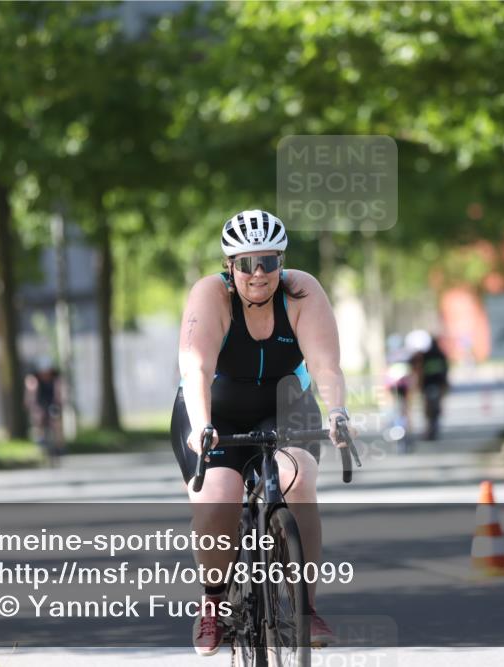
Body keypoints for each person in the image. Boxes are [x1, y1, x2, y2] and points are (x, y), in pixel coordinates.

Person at [171, 209, 349, 655]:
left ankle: (306, 608)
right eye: (245, 263)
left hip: (284, 406)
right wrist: (202, 424)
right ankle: (213, 604)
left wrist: (338, 412)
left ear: (281, 263)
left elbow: (326, 365)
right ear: (229, 267)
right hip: (215, 410)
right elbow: (195, 365)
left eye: (268, 262)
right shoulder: (211, 295)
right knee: (218, 497)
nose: (257, 274)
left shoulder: (302, 292)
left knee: (299, 480)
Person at [410, 332, 449, 440]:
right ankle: (433, 427)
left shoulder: (425, 355)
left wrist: (419, 384)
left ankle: (430, 428)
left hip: (429, 385)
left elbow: (419, 370)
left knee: (428, 409)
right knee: (435, 407)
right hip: (437, 384)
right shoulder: (440, 354)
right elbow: (445, 371)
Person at [24, 356, 63, 459]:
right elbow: (31, 393)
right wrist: (30, 404)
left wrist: (60, 403)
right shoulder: (33, 379)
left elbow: (59, 392)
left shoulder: (55, 378)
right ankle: (40, 437)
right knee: (38, 416)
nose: (45, 374)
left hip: (52, 400)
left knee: (56, 421)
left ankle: (59, 445)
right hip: (40, 401)